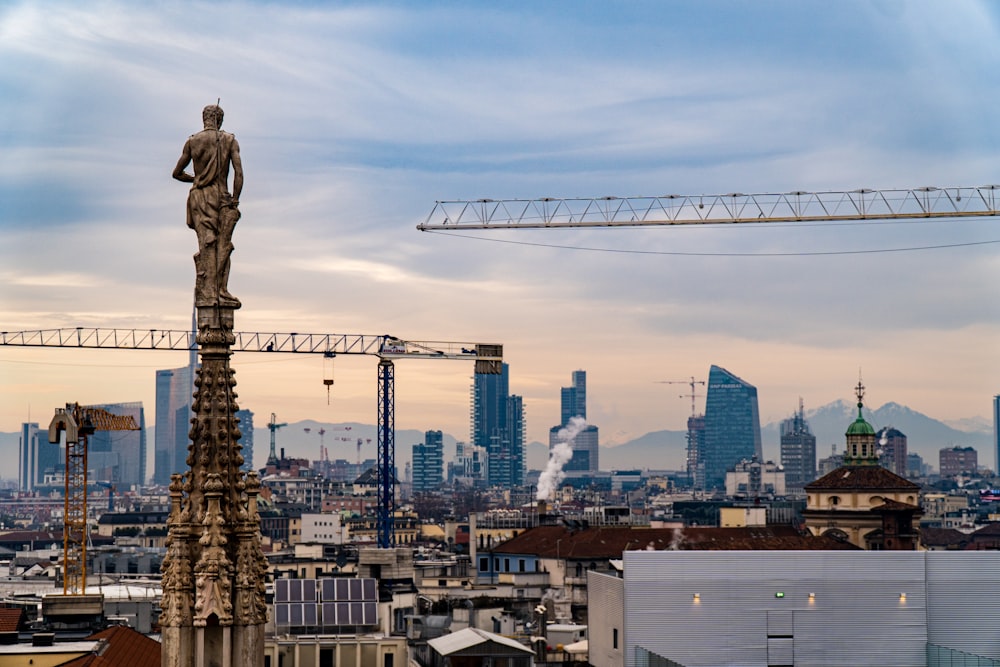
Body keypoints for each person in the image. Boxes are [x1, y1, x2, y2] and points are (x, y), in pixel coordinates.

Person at [173, 104, 243, 308]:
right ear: (219, 120)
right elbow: (239, 173)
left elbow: (177, 173)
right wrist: (235, 199)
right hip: (220, 197)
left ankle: (211, 291)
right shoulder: (229, 140)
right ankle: (218, 290)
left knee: (207, 245)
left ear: (204, 119)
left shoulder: (192, 142)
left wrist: (197, 180)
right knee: (223, 246)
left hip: (199, 198)